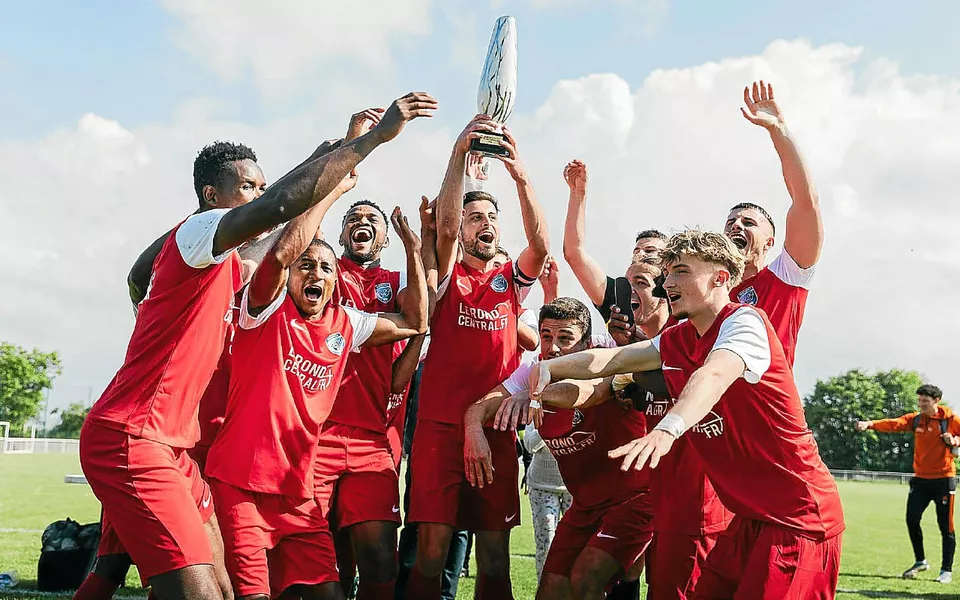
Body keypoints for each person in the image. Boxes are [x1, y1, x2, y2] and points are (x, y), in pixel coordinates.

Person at [78, 92, 436, 600]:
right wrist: (374, 140)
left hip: (178, 447)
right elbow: (279, 212)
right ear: (210, 195)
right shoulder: (198, 234)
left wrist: (338, 153)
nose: (258, 196)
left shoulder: (230, 265)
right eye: (246, 186)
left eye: (261, 187)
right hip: (136, 435)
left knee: (217, 589)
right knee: (160, 580)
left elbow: (279, 228)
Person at [530, 230, 845, 599]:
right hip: (750, 520)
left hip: (799, 519)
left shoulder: (744, 324)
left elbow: (713, 374)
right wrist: (551, 368)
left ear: (720, 278)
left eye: (680, 271)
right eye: (667, 273)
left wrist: (668, 429)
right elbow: (612, 359)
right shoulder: (678, 338)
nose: (668, 283)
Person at [204, 180, 428, 600]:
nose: (316, 273)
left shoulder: (346, 323)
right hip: (242, 486)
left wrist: (415, 251)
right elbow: (280, 255)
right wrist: (331, 189)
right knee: (253, 593)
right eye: (306, 265)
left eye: (325, 268)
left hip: (295, 493)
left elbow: (415, 321)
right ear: (289, 275)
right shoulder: (265, 311)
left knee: (331, 591)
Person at [405, 114, 549, 600]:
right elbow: (444, 227)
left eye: (491, 217)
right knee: (431, 551)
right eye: (475, 218)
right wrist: (458, 153)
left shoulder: (511, 280)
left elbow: (541, 246)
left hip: (498, 427)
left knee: (494, 556)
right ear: (463, 231)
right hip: (439, 429)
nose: (485, 224)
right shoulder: (447, 274)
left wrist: (521, 177)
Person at [464, 297, 651, 600]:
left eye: (565, 338)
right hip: (585, 506)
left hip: (633, 499)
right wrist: (474, 432)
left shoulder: (604, 360)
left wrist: (535, 395)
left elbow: (586, 393)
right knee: (549, 591)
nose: (553, 348)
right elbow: (479, 408)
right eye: (547, 336)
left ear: (586, 343)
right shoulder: (534, 370)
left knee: (586, 579)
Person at [724, 80, 823, 367]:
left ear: (770, 242)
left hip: (771, 397)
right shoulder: (708, 296)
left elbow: (806, 201)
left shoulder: (787, 276)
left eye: (748, 222)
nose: (736, 226)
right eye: (730, 222)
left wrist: (778, 130)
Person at [856, 384, 960, 584]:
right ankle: (920, 561)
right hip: (920, 480)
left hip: (944, 480)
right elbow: (894, 423)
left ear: (936, 401)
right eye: (919, 400)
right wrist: (870, 424)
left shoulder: (950, 420)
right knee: (912, 519)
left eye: (925, 401)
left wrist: (955, 441)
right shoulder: (916, 419)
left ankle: (946, 570)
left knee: (945, 526)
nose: (921, 404)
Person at [560, 159, 667, 345]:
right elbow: (574, 253)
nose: (640, 255)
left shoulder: (685, 312)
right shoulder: (620, 299)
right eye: (636, 250)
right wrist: (578, 193)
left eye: (650, 250)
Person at [523, 421, 572, 581]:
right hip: (542, 485)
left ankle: (574, 590)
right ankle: (545, 590)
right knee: (546, 546)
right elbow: (530, 445)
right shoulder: (537, 409)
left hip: (576, 486)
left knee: (577, 547)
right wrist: (552, 423)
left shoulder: (583, 408)